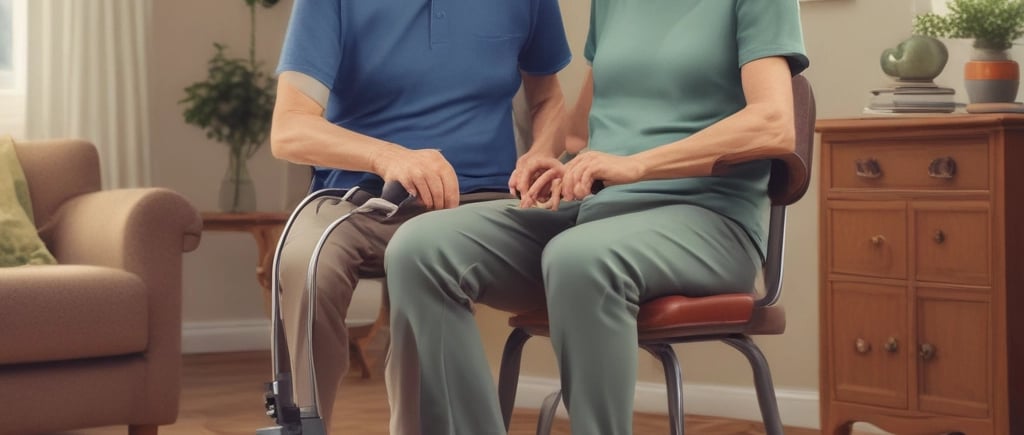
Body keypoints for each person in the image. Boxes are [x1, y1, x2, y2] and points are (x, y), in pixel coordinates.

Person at [382, 0, 810, 433]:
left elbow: (772, 123)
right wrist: (554, 161)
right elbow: (579, 134)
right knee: (419, 249)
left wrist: (640, 164)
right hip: (596, 214)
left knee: (579, 259)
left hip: (710, 220)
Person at [267, 0, 572, 431]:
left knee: (425, 265)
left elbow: (548, 99)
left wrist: (541, 153)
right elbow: (289, 127)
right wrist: (389, 158)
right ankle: (303, 426)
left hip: (478, 204)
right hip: (357, 198)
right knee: (307, 262)